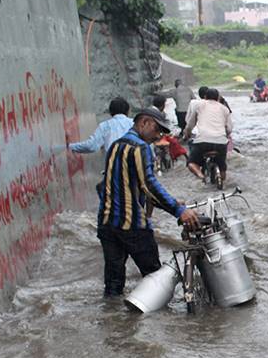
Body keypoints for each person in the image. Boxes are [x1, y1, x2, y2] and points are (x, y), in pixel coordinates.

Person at [97, 107, 199, 297]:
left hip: (107, 224)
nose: (158, 136)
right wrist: (179, 210)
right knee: (155, 281)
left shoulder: (116, 145)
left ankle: (115, 322)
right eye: (157, 129)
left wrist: (169, 201)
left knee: (113, 284)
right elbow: (149, 185)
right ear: (144, 123)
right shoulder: (140, 147)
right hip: (132, 226)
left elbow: (122, 184)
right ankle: (157, 325)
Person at [183, 88, 233, 184]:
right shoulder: (224, 109)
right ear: (218, 98)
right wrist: (224, 135)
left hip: (202, 141)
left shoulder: (199, 105)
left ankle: (201, 175)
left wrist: (187, 133)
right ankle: (221, 177)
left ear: (205, 97)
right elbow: (229, 129)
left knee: (191, 163)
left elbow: (190, 124)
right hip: (221, 142)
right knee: (222, 168)